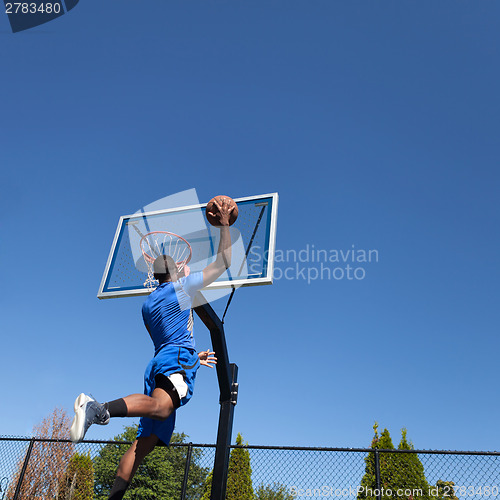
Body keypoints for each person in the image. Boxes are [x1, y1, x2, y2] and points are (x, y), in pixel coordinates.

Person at [70, 197, 234, 500]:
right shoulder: (183, 287)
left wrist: (191, 356)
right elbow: (223, 262)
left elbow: (168, 336)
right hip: (176, 361)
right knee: (162, 407)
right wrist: (223, 223)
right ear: (178, 269)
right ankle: (99, 409)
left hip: (163, 361)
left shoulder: (148, 305)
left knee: (142, 445)